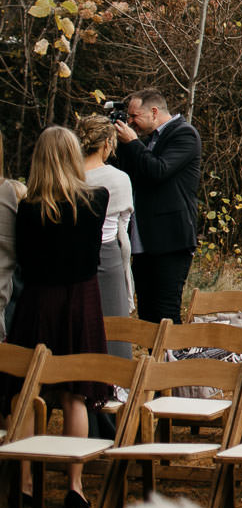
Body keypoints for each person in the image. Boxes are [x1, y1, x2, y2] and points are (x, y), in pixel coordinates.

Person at [8, 127, 110, 508]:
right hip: (80, 299)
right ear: (73, 156)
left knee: (26, 391)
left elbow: (24, 259)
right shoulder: (96, 199)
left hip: (37, 300)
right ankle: (75, 484)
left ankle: (26, 482)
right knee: (75, 396)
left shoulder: (29, 207)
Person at [112, 87, 201, 325]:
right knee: (147, 316)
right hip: (144, 241)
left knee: (165, 314)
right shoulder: (149, 140)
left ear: (153, 112)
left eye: (134, 117)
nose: (131, 123)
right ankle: (153, 362)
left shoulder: (184, 135)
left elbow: (158, 171)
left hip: (171, 241)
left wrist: (131, 142)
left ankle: (171, 362)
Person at [75, 116, 134, 356]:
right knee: (112, 325)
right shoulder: (120, 179)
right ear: (108, 144)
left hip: (74, 255)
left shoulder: (69, 175)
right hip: (108, 252)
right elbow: (124, 225)